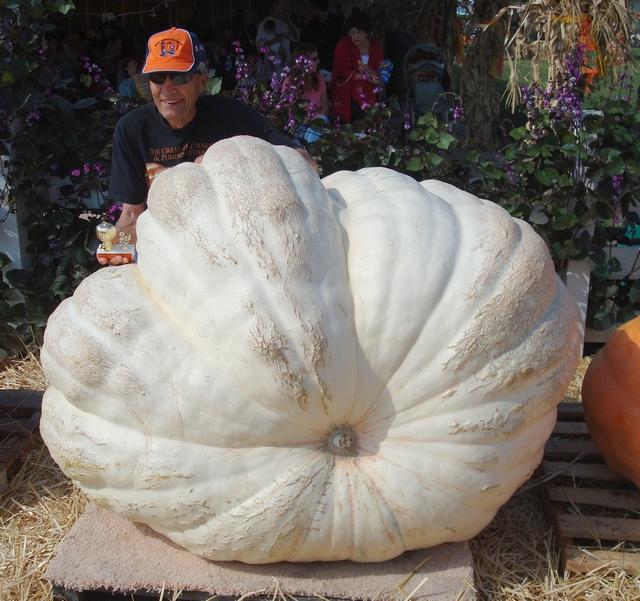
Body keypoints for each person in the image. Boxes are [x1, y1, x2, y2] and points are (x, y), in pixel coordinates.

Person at [104, 27, 314, 266]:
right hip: (167, 250)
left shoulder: (232, 116)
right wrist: (114, 254)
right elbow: (132, 213)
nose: (168, 88)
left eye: (180, 77)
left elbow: (304, 161)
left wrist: (223, 159)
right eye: (158, 77)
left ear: (202, 79)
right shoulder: (132, 129)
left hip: (233, 247)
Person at [331, 11, 384, 124]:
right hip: (348, 95)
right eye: (353, 33)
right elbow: (340, 70)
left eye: (359, 32)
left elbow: (380, 71)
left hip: (370, 94)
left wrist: (373, 75)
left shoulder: (376, 47)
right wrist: (365, 76)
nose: (356, 36)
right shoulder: (343, 45)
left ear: (367, 32)